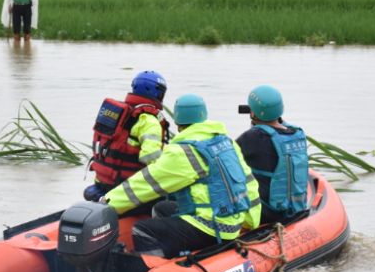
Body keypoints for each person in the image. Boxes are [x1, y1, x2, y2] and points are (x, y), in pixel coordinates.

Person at [103, 93, 261, 258]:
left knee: (143, 230)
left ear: (178, 122)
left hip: (213, 226)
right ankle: (176, 252)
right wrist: (251, 222)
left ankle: (152, 269)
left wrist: (106, 204)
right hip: (232, 219)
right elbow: (248, 181)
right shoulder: (226, 142)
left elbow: (145, 184)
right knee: (161, 209)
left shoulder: (184, 151)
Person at [83, 70, 169, 203]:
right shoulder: (149, 120)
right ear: (156, 93)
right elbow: (151, 158)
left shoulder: (118, 113)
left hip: (102, 183)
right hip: (125, 187)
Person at [235, 85, 309, 225]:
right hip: (296, 209)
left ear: (252, 113)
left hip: (267, 213)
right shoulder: (297, 133)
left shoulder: (254, 137)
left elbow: (228, 158)